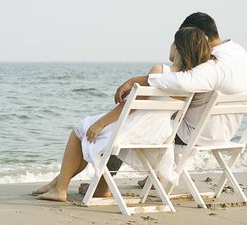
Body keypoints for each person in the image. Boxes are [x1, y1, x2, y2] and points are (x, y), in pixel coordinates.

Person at [78, 12, 247, 197]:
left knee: (132, 123)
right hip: (226, 130)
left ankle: (103, 186)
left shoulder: (214, 64)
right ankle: (156, 177)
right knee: (161, 110)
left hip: (197, 133)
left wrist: (138, 80)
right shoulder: (239, 52)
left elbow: (181, 81)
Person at [32, 27, 213, 202]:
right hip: (157, 134)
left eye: (173, 43)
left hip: (135, 129)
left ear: (178, 47)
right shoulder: (191, 82)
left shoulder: (160, 70)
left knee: (81, 129)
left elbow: (131, 107)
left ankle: (60, 189)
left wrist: (101, 123)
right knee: (89, 133)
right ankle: (56, 183)